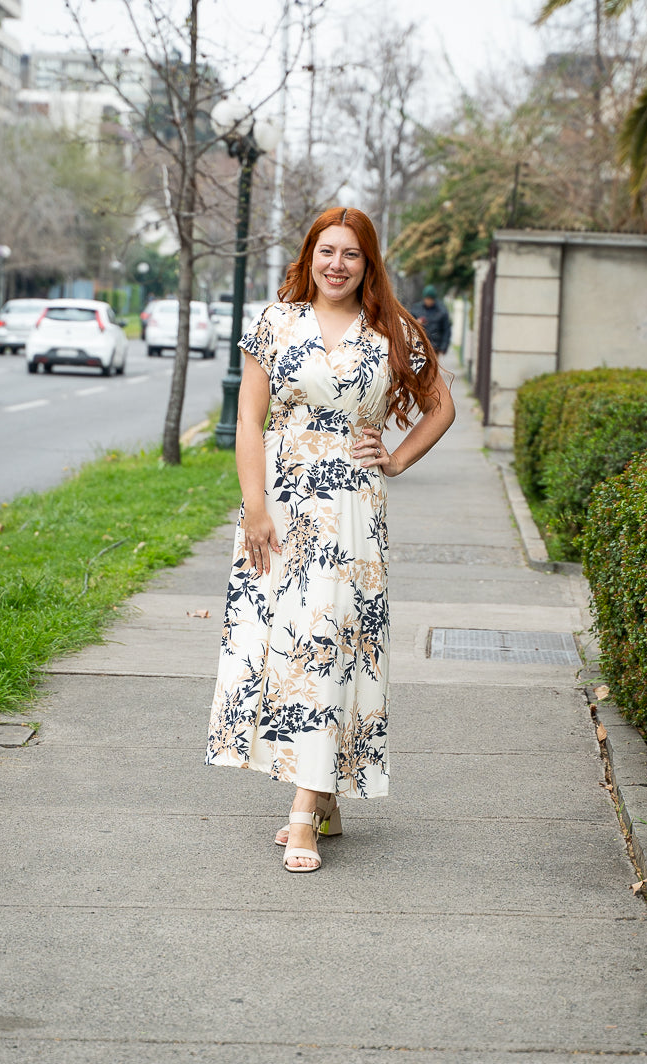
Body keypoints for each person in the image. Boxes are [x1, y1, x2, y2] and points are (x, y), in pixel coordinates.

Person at [205, 207, 455, 873]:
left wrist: (396, 459)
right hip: (281, 510)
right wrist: (255, 508)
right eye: (327, 252)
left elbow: (441, 406)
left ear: (369, 263)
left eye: (351, 254)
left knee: (329, 646)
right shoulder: (277, 323)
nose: (337, 264)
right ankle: (326, 797)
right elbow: (248, 421)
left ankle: (302, 816)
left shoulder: (394, 332)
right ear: (309, 256)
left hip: (351, 516)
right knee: (283, 650)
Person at [411, 284, 451, 354]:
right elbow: (408, 326)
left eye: (431, 299)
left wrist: (443, 347)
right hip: (419, 345)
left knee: (433, 364)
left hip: (435, 347)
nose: (429, 301)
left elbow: (446, 330)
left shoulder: (441, 311)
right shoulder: (416, 309)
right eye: (427, 299)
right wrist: (417, 323)